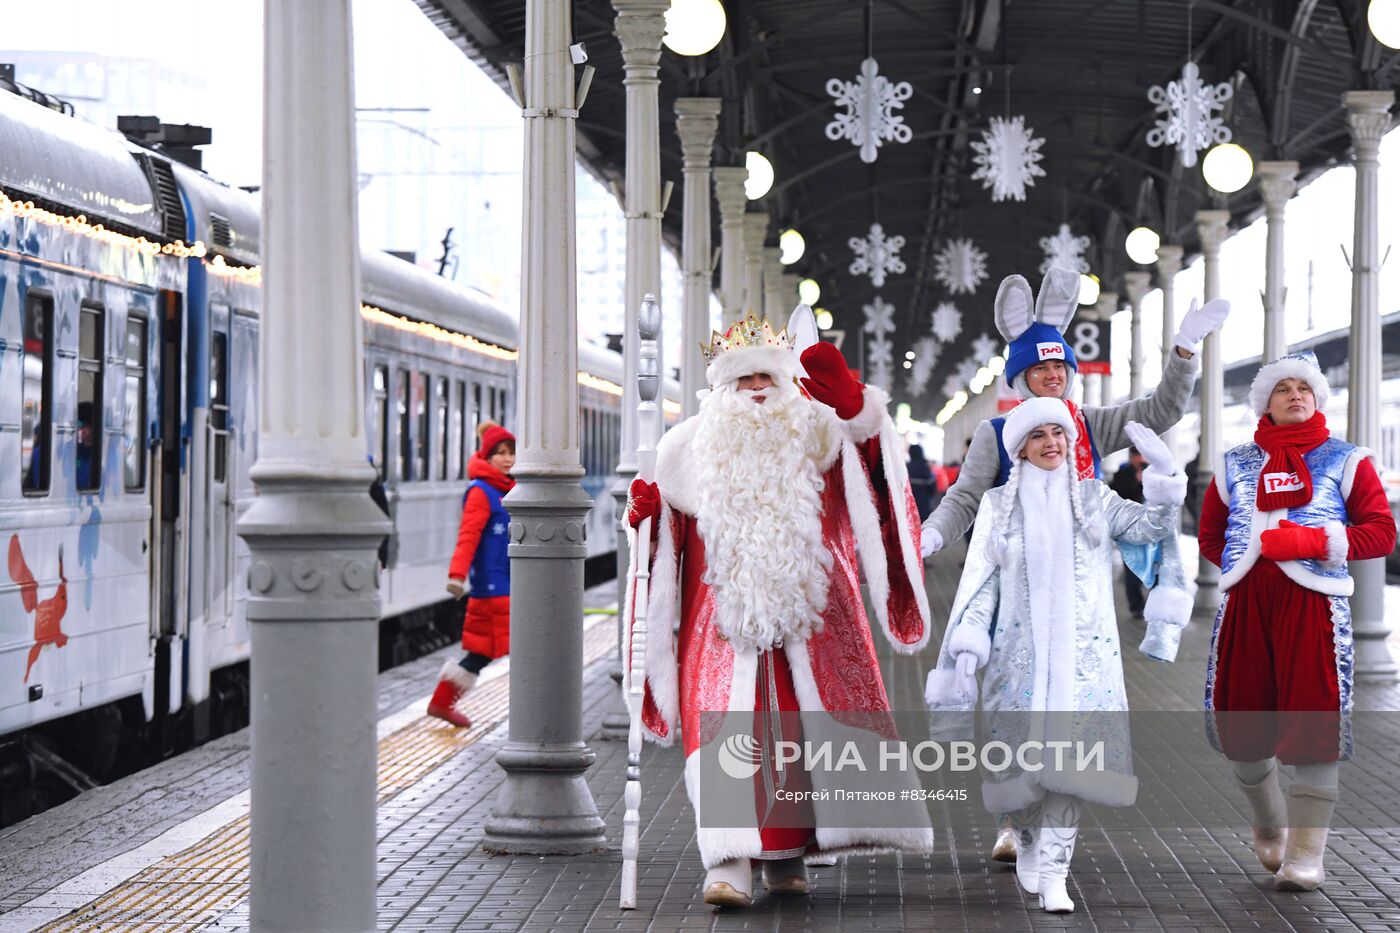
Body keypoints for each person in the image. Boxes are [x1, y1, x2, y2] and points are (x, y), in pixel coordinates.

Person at [624, 310, 933, 909]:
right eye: (744, 380)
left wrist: (857, 411)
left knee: (798, 734)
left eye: (768, 376)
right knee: (726, 728)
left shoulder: (819, 434)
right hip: (720, 622)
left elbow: (875, 487)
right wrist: (644, 519)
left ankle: (787, 857)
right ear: (721, 389)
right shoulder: (683, 448)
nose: (758, 388)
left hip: (812, 620)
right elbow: (665, 548)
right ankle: (728, 862)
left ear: (788, 382)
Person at [920, 266, 1223, 863]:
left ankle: (1054, 830)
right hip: (1016, 586)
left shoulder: (1090, 424)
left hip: (1078, 591)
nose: (1053, 375)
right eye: (1040, 368)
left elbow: (1161, 410)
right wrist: (933, 535)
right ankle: (1013, 815)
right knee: (1014, 698)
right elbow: (966, 498)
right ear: (1021, 377)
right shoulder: (995, 431)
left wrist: (1184, 352)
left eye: (1059, 367)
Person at [926, 398, 1189, 913]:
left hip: (1085, 663)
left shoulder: (1095, 498)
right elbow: (981, 585)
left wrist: (1163, 478)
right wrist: (967, 645)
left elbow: (1150, 531)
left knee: (1071, 768)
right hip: (1015, 664)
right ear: (1020, 446)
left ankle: (1055, 873)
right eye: (1039, 434)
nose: (1052, 442)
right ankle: (1026, 843)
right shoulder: (998, 505)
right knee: (1019, 777)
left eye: (1059, 433)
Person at [1198, 350, 1395, 891]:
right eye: (1283, 389)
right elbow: (1211, 533)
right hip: (1245, 606)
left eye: (1304, 389)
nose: (1295, 395)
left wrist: (1314, 541)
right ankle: (1268, 818)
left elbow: (1381, 532)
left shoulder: (1347, 459)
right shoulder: (1235, 462)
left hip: (1312, 606)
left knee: (1313, 722)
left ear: (1317, 399)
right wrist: (1246, 564)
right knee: (1242, 722)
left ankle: (1306, 853)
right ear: (1266, 401)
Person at [427, 421, 516, 728]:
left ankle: (442, 703)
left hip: (508, 582)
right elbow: (468, 536)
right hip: (493, 586)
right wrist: (456, 575)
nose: (507, 459)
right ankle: (533, 714)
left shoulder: (511, 489)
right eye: (499, 453)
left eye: (511, 453)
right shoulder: (481, 491)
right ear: (486, 456)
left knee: (483, 651)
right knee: (517, 646)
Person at [1110, 448, 1149, 618]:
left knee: (1156, 567)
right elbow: (1119, 498)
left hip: (1150, 527)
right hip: (1129, 528)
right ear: (1132, 457)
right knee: (1132, 568)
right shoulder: (1122, 475)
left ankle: (1154, 606)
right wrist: (1136, 482)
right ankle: (1137, 607)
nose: (1142, 460)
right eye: (1139, 457)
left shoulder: (1152, 472)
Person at [907, 442, 936, 521]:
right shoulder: (925, 468)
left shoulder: (906, 468)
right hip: (924, 507)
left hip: (909, 508)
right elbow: (932, 489)